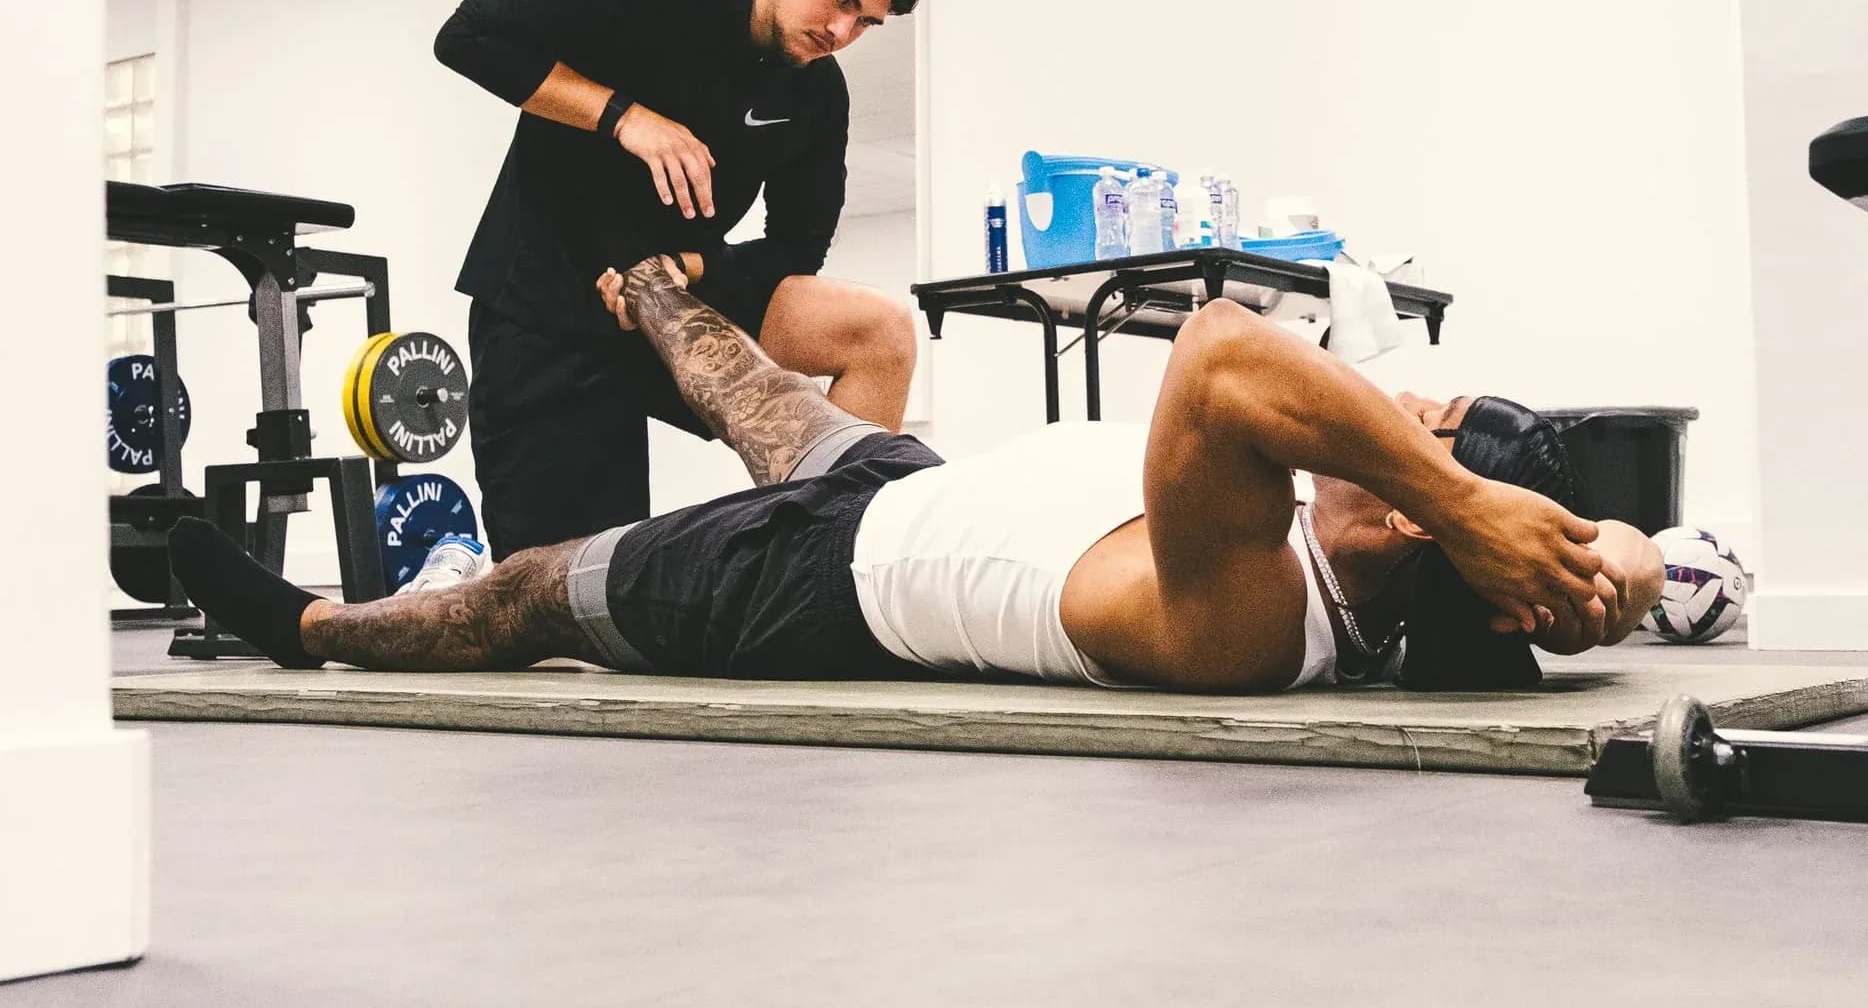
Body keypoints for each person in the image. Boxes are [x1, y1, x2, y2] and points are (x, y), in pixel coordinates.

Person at [169, 259, 1663, 693]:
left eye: (1433, 417)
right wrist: (1607, 561)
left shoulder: (1267, 617)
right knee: (730, 364)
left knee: (533, 594)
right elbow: (1679, 559)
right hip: (905, 484)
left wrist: (1481, 509)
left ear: (1406, 507)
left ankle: (306, 628)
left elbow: (1218, 352)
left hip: (821, 586)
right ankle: (635, 272)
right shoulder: (1387, 534)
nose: (1400, 401)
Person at [434, 0, 926, 556]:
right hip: (547, 308)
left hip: (678, 304)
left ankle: (827, 560)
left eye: (866, 22)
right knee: (559, 591)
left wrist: (688, 268)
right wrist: (623, 118)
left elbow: (797, 245)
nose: (842, 31)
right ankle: (453, 573)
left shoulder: (817, 93)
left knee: (880, 332)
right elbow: (469, 35)